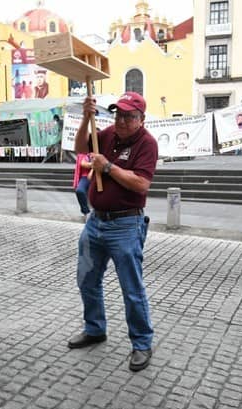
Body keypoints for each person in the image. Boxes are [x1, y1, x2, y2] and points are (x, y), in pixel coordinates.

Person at [69, 91, 157, 372]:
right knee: (87, 279)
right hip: (95, 222)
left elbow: (142, 184)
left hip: (126, 225)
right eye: (118, 114)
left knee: (132, 289)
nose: (121, 120)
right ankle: (95, 328)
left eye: (128, 116)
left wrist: (107, 166)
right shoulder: (106, 134)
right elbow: (81, 145)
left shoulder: (147, 143)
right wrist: (85, 118)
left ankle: (142, 343)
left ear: (141, 119)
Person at [73, 152, 92, 220]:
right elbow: (83, 164)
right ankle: (86, 212)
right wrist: (94, 165)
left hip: (97, 176)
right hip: (85, 177)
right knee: (80, 191)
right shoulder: (82, 153)